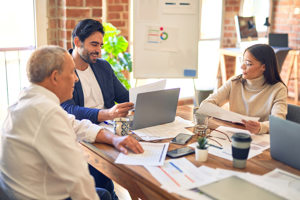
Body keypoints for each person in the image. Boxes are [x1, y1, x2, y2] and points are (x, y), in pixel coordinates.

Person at [0, 46, 143, 200]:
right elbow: (78, 178)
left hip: (20, 190)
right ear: (55, 77)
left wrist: (114, 138)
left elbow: (75, 124)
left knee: (105, 193)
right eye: (71, 72)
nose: (76, 78)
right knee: (103, 194)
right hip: (39, 195)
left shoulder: (27, 102)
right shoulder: (46, 113)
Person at [199, 44, 287, 134]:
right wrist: (227, 116)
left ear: (263, 67)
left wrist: (261, 127)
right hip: (234, 134)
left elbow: (278, 122)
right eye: (243, 61)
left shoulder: (279, 89)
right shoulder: (235, 82)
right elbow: (205, 105)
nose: (242, 67)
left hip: (260, 139)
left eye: (248, 64)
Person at [61, 19, 133, 124]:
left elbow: (124, 97)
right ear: (77, 42)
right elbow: (69, 110)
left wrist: (145, 101)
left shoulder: (103, 66)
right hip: (84, 131)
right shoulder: (62, 69)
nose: (99, 50)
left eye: (100, 45)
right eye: (94, 44)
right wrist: (107, 114)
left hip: (110, 127)